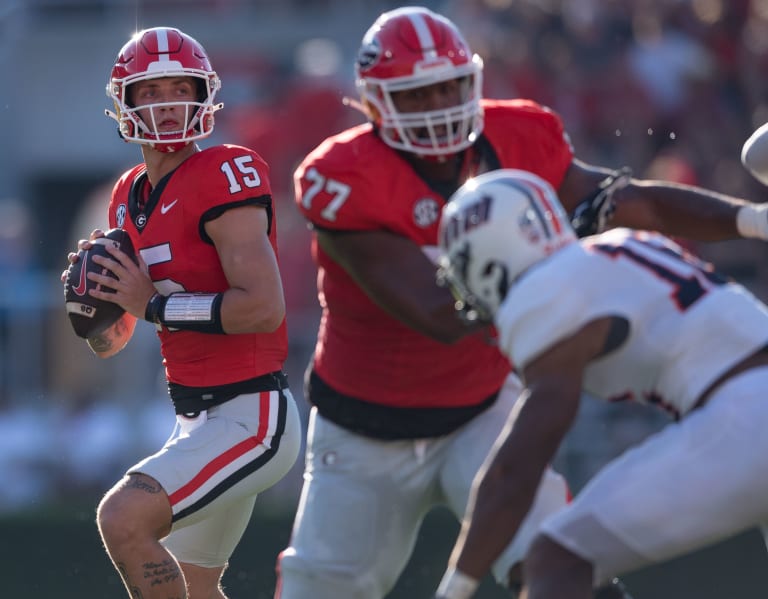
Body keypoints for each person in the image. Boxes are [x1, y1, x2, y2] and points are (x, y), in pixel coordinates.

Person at [276, 6, 768, 598]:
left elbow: (632, 203)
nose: (437, 108)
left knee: (559, 566)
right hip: (364, 427)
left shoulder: (520, 135)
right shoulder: (340, 174)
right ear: (375, 103)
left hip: (483, 404)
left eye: (449, 88)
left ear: (473, 81)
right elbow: (435, 313)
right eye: (416, 95)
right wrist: (544, 275)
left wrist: (748, 218)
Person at [433, 168, 768, 599]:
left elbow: (518, 465)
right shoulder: (620, 247)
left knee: (556, 557)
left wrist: (456, 586)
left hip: (747, 416)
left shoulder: (541, 294)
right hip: (748, 400)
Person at [62, 27, 301, 599]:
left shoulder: (225, 171)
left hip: (253, 414)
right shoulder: (125, 194)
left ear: (203, 96)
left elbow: (264, 308)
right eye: (151, 90)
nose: (168, 103)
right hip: (196, 417)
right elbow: (118, 334)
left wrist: (152, 304)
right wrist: (96, 306)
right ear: (126, 101)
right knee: (195, 586)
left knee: (123, 519)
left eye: (179, 87)